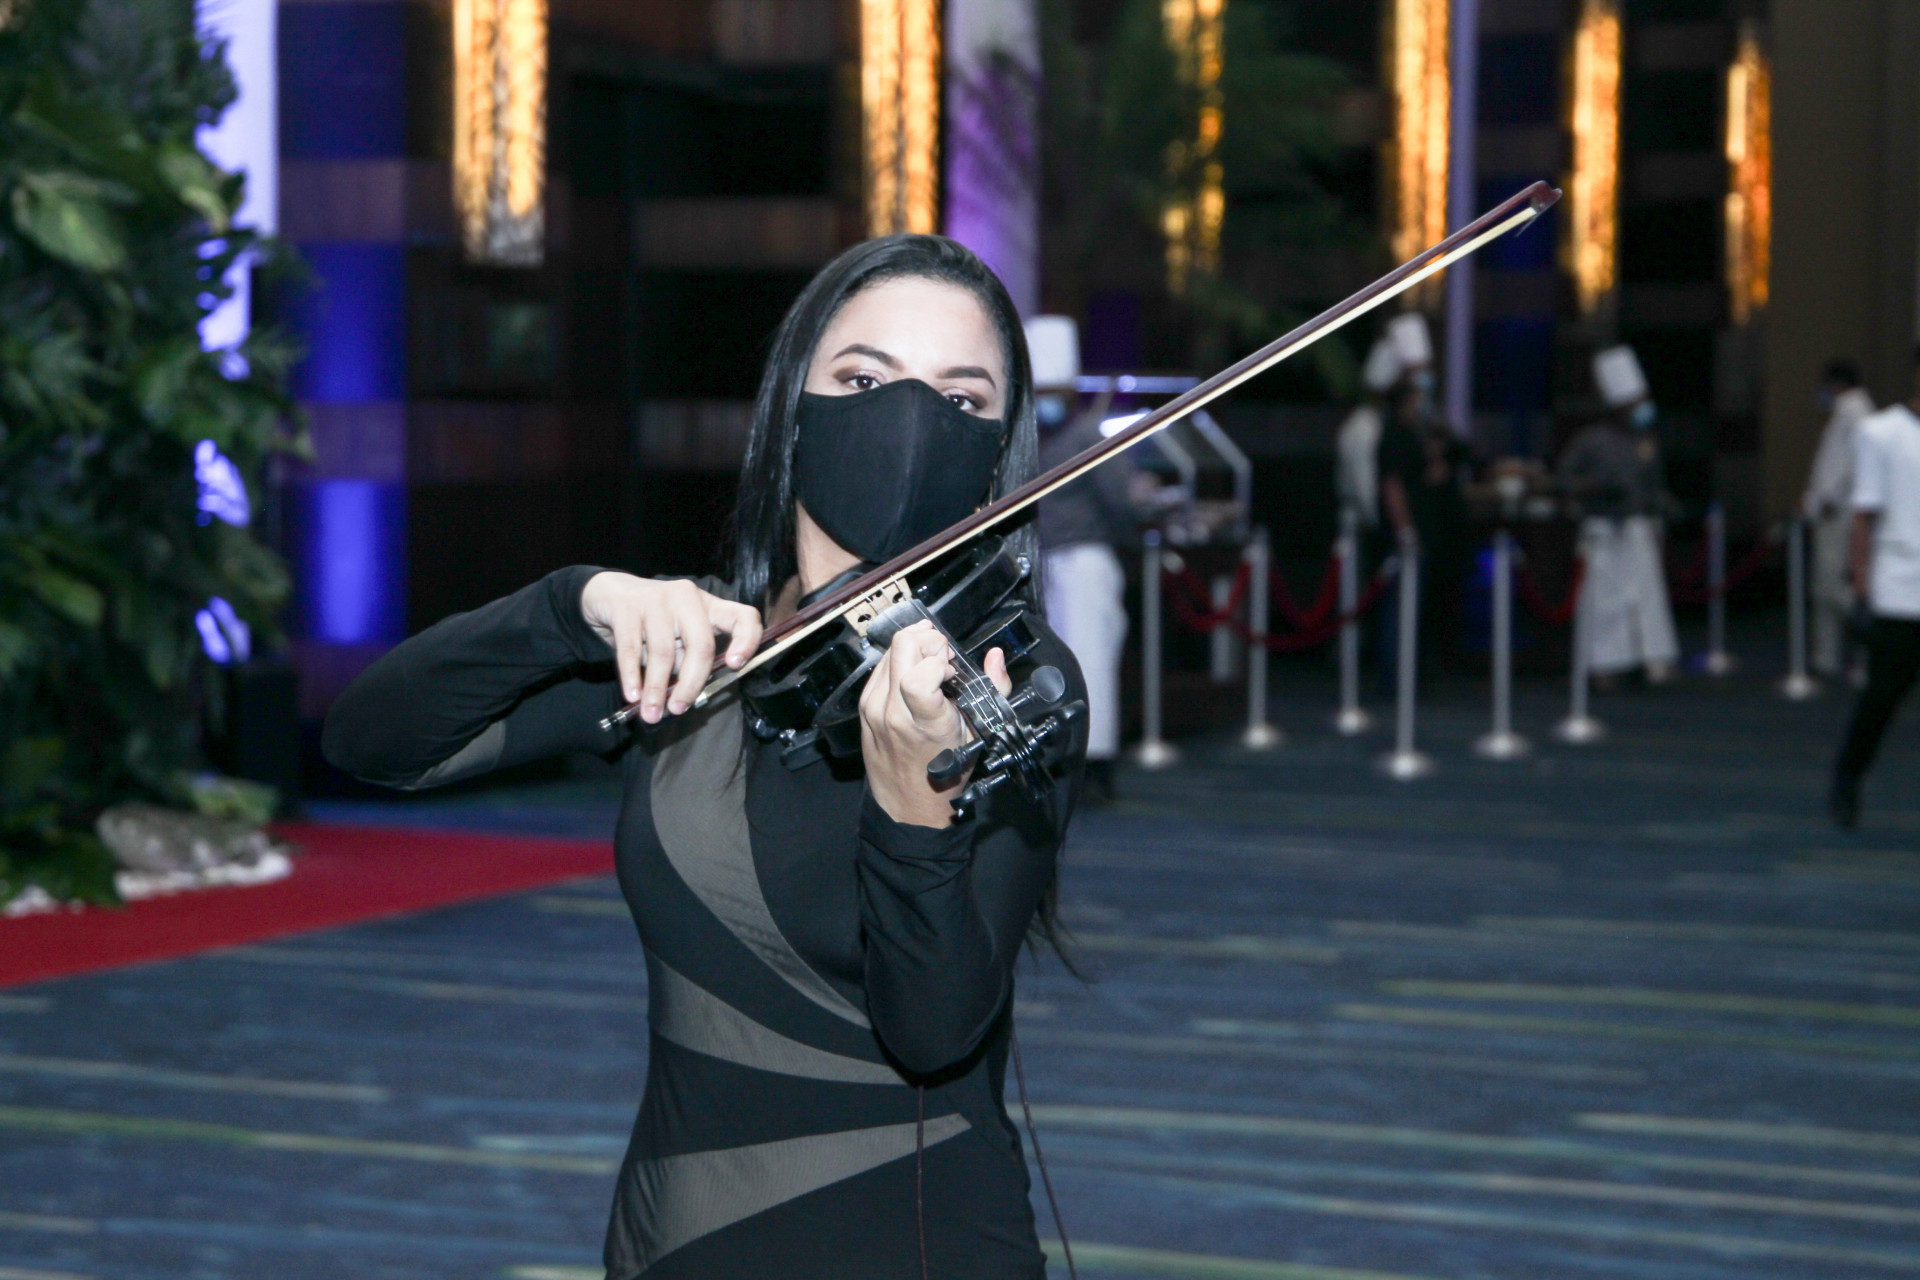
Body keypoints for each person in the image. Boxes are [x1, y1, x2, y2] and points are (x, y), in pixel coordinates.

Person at [324, 235, 1087, 1279]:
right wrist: (571, 606)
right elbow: (371, 740)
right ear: (793, 409)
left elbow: (935, 1028)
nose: (909, 424)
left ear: (999, 451)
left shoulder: (1005, 675)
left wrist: (916, 808)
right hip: (673, 1244)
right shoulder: (697, 647)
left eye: (959, 399)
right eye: (864, 380)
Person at [1030, 314, 1137, 803]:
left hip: (1085, 566)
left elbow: (1121, 502)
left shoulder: (1090, 436)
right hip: (1046, 567)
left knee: (1092, 668)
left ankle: (1096, 765)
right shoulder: (1032, 438)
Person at [1830, 357, 1920, 829]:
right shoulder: (1881, 433)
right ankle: (1847, 778)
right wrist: (1862, 587)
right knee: (1882, 698)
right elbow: (1863, 515)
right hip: (1900, 588)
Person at [1558, 345, 1679, 688]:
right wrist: (1597, 487)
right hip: (1603, 530)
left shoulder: (1646, 440)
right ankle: (1605, 664)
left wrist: (1661, 505)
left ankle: (1650, 658)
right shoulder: (1591, 440)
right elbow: (1564, 480)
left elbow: (1654, 483)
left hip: (1638, 528)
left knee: (1645, 598)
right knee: (1604, 602)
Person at [1374, 313, 1470, 676]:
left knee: (1423, 603)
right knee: (1401, 602)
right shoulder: (1395, 428)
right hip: (1411, 526)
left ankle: (1417, 669)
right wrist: (1404, 529)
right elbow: (1392, 482)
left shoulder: (1428, 422)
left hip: (1434, 523)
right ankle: (1395, 673)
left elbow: (1459, 450)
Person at [1802, 359, 1875, 679]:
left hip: (1839, 512)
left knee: (1835, 587)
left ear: (1838, 384)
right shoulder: (1849, 413)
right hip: (1836, 509)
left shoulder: (1854, 414)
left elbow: (1844, 464)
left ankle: (1873, 649)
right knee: (1825, 587)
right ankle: (1827, 657)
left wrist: (1827, 497)